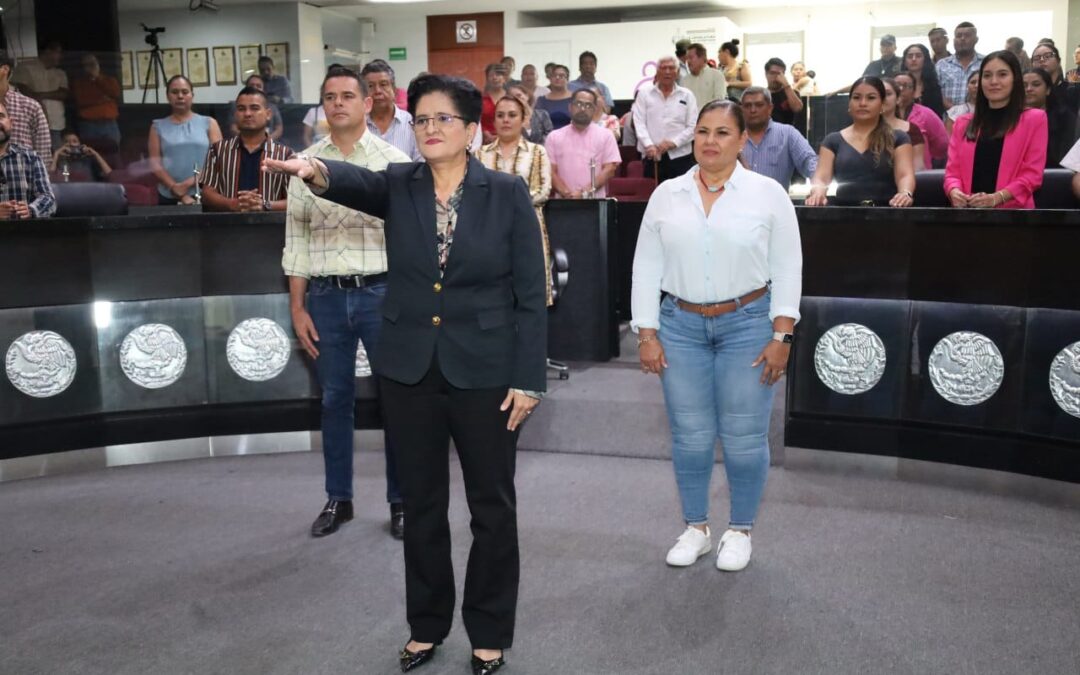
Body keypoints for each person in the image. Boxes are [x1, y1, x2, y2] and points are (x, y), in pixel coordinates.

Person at [265, 72, 546, 675]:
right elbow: (355, 182)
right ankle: (426, 626)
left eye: (444, 118)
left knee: (492, 507)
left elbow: (531, 292)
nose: (430, 128)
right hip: (410, 370)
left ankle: (489, 631)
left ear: (471, 129)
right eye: (421, 119)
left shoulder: (506, 192)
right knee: (421, 505)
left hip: (487, 372)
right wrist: (314, 170)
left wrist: (528, 379)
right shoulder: (400, 183)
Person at [631, 99, 801, 573]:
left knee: (744, 437)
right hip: (679, 327)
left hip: (749, 325)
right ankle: (696, 528)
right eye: (703, 131)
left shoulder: (768, 194)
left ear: (742, 139)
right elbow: (646, 267)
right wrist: (646, 332)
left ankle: (740, 530)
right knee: (690, 436)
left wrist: (783, 336)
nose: (710, 141)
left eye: (723, 132)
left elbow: (788, 267)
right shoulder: (667, 194)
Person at [279, 67, 412, 542]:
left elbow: (409, 237)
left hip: (382, 294)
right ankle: (339, 498)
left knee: (396, 401)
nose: (338, 103)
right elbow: (296, 241)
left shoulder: (394, 161)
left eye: (348, 96)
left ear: (366, 103)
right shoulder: (303, 163)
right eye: (330, 96)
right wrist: (298, 308)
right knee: (335, 400)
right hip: (326, 297)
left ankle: (401, 501)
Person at [476, 95, 554, 305]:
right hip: (489, 230)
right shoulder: (479, 155)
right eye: (500, 115)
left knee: (529, 294)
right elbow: (474, 192)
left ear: (524, 119)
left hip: (527, 227)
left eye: (512, 115)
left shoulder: (537, 152)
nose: (506, 120)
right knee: (492, 295)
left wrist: (506, 206)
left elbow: (543, 191)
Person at [944, 50, 1047, 209]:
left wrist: (997, 198)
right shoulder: (962, 123)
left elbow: (1032, 174)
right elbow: (952, 173)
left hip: (1014, 215)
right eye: (987, 76)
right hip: (968, 212)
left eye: (1002, 74)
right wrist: (954, 190)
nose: (993, 81)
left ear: (1015, 79)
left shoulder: (1035, 119)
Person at [806, 76, 915, 207]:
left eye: (871, 98)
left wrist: (905, 193)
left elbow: (904, 175)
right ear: (849, 104)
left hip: (888, 211)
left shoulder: (899, 138)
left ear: (882, 104)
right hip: (843, 212)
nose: (863, 103)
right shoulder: (832, 140)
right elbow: (821, 177)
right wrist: (818, 192)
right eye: (856, 97)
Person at [200, 86, 292, 212]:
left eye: (254, 108)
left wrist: (265, 205)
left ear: (268, 114)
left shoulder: (285, 155)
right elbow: (207, 195)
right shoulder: (217, 150)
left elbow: (296, 201)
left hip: (271, 224)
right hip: (228, 223)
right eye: (241, 109)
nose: (247, 114)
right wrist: (233, 204)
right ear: (235, 115)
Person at [148, 75, 222, 205]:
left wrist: (188, 184)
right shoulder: (157, 126)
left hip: (206, 192)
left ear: (192, 95)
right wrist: (174, 187)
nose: (180, 96)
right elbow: (155, 164)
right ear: (168, 96)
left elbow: (219, 160)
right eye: (175, 92)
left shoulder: (209, 123)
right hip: (169, 194)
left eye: (185, 92)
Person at [632, 55, 699, 182]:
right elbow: (639, 122)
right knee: (653, 192)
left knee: (682, 192)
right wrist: (649, 144)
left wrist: (673, 143)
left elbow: (693, 126)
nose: (667, 72)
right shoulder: (644, 94)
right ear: (657, 72)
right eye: (663, 68)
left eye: (671, 68)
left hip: (680, 156)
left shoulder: (687, 95)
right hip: (653, 155)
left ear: (677, 73)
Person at [738, 87, 817, 191]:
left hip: (776, 200)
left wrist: (819, 186)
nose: (753, 110)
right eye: (748, 106)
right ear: (741, 109)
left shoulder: (787, 134)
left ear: (770, 108)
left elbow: (809, 160)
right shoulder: (732, 136)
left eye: (759, 105)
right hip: (737, 200)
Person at [546, 88, 620, 198]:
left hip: (595, 201)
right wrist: (566, 194)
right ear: (570, 107)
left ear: (594, 109)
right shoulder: (554, 137)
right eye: (578, 104)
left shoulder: (606, 135)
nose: (583, 109)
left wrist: (584, 193)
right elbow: (549, 171)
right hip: (563, 201)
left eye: (588, 105)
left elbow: (609, 170)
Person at [0, 99, 56, 219]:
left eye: (1, 117)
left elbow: (48, 199)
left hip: (24, 229)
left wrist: (31, 210)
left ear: (11, 123)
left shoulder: (31, 158)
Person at [12, 41, 68, 150]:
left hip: (56, 122)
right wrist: (40, 96)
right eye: (58, 52)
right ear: (48, 51)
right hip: (31, 122)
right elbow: (24, 91)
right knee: (33, 153)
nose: (60, 56)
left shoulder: (60, 73)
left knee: (56, 153)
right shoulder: (25, 67)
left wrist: (39, 94)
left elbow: (63, 94)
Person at [362, 61, 422, 161]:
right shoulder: (357, 124)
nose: (377, 91)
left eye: (383, 84)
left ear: (394, 89)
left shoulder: (411, 122)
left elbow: (420, 163)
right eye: (370, 86)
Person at [0, 50, 51, 159]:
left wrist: (40, 169)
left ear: (5, 69)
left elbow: (43, 152)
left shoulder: (29, 106)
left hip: (21, 168)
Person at [895, 72, 948, 169]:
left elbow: (942, 144)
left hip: (919, 171)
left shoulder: (926, 114)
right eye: (897, 85)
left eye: (907, 86)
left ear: (914, 91)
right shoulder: (882, 114)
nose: (901, 89)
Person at [1022, 68, 1073, 168]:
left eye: (1036, 84)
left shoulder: (1064, 118)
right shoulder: (1011, 119)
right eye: (1024, 86)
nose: (1029, 89)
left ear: (1048, 90)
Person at [70, 54, 122, 147]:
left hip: (109, 123)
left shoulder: (109, 80)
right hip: (89, 124)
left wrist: (98, 78)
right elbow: (81, 100)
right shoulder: (79, 82)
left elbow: (115, 93)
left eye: (92, 64)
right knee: (89, 152)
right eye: (87, 65)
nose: (90, 67)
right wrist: (104, 99)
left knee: (113, 151)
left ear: (98, 64)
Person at [936, 22, 984, 109]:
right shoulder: (941, 65)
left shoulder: (985, 63)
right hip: (949, 115)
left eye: (967, 35)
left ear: (976, 39)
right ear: (954, 40)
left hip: (980, 114)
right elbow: (935, 91)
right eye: (958, 36)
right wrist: (954, 110)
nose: (962, 38)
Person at [882, 78, 926, 172]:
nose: (883, 98)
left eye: (888, 94)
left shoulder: (911, 130)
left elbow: (918, 168)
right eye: (877, 94)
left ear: (898, 99)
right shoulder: (861, 129)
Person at [229, 75, 284, 141]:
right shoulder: (236, 106)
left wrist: (268, 139)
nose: (255, 88)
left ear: (263, 90)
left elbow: (279, 128)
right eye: (251, 85)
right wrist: (248, 139)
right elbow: (233, 128)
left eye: (258, 86)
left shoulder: (272, 107)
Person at [1030, 43, 1080, 114]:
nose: (1042, 60)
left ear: (1058, 61)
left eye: (1047, 56)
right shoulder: (1028, 92)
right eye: (1036, 58)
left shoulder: (1071, 91)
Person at [902, 44, 946, 117]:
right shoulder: (897, 85)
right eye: (910, 56)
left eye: (918, 56)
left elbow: (937, 114)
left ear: (925, 60)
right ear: (905, 61)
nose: (913, 59)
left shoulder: (934, 86)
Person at [764, 58, 803, 125]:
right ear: (766, 74)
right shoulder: (762, 95)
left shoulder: (791, 93)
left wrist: (786, 85)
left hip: (787, 130)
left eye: (779, 74)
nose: (775, 77)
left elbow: (797, 108)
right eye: (772, 73)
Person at [535, 64, 574, 130]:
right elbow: (537, 124)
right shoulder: (542, 100)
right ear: (550, 78)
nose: (557, 78)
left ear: (567, 79)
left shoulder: (575, 98)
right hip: (547, 135)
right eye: (554, 75)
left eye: (561, 76)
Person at [480, 62, 508, 144]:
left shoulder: (510, 97)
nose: (494, 78)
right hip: (485, 140)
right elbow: (477, 120)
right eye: (491, 75)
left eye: (498, 75)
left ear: (504, 78)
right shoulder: (480, 98)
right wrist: (486, 134)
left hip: (508, 139)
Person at [945, 71, 980, 137]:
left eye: (980, 82)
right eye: (973, 82)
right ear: (967, 86)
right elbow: (948, 137)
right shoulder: (956, 111)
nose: (976, 86)